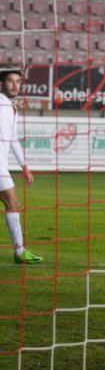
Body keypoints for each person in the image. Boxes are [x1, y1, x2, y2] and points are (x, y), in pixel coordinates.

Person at [0, 70, 40, 264]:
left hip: (2, 165)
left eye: (18, 81)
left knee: (12, 204)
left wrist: (25, 166)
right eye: (10, 81)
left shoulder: (12, 108)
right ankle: (19, 252)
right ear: (2, 84)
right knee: (13, 204)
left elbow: (13, 139)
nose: (15, 85)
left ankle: (20, 252)